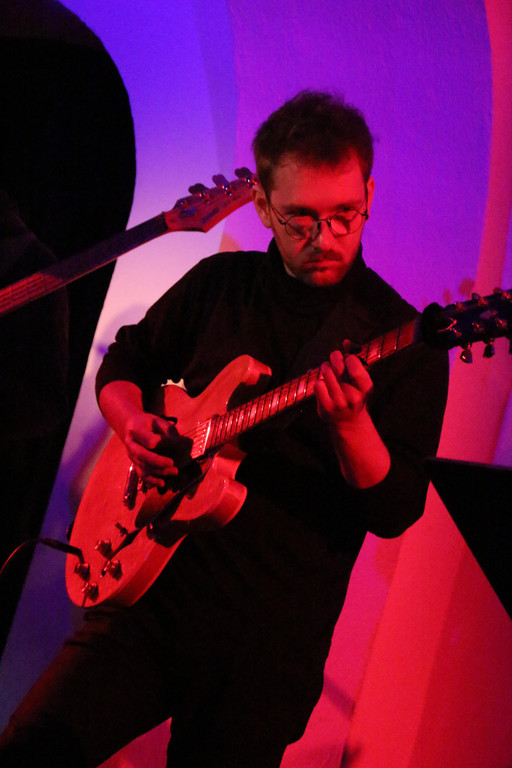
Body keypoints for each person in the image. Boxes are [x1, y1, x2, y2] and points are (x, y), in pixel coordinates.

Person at [0, 90, 449, 767]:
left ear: (368, 194)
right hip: (150, 595)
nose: (326, 238)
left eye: (344, 215)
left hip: (264, 649)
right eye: (301, 219)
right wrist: (132, 424)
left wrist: (351, 424)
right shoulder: (220, 284)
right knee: (29, 749)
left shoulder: (403, 339)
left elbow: (395, 510)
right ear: (263, 205)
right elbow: (125, 362)